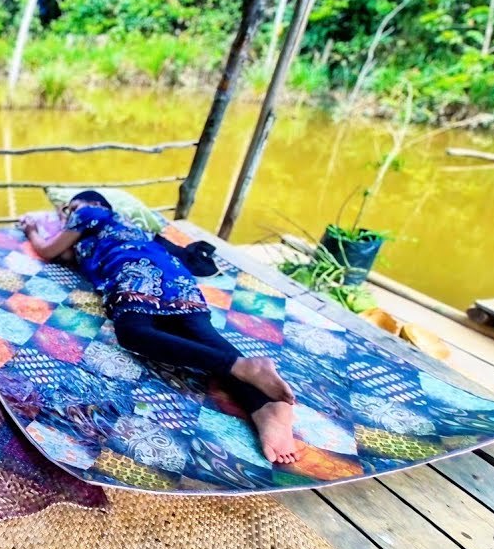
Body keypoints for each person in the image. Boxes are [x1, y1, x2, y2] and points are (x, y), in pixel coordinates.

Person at [21, 191, 303, 464]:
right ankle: (264, 407)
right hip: (173, 273)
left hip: (135, 269)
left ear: (86, 202)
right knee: (202, 338)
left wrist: (34, 228)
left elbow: (47, 250)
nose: (67, 213)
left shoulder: (89, 211)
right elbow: (68, 254)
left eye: (69, 207)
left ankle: (242, 367)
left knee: (134, 333)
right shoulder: (114, 229)